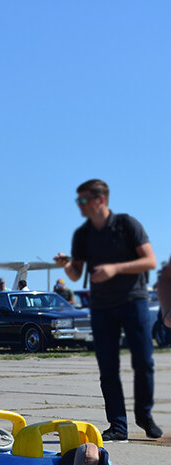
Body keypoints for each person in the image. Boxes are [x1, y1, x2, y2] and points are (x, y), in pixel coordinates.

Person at [55, 178, 160, 441]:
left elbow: (150, 260)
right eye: (77, 200)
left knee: (144, 362)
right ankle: (118, 425)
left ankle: (144, 416)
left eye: (83, 200)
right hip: (101, 307)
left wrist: (115, 268)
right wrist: (66, 266)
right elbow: (77, 274)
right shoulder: (82, 234)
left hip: (133, 301)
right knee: (108, 368)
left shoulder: (127, 225)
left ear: (100, 200)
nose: (79, 205)